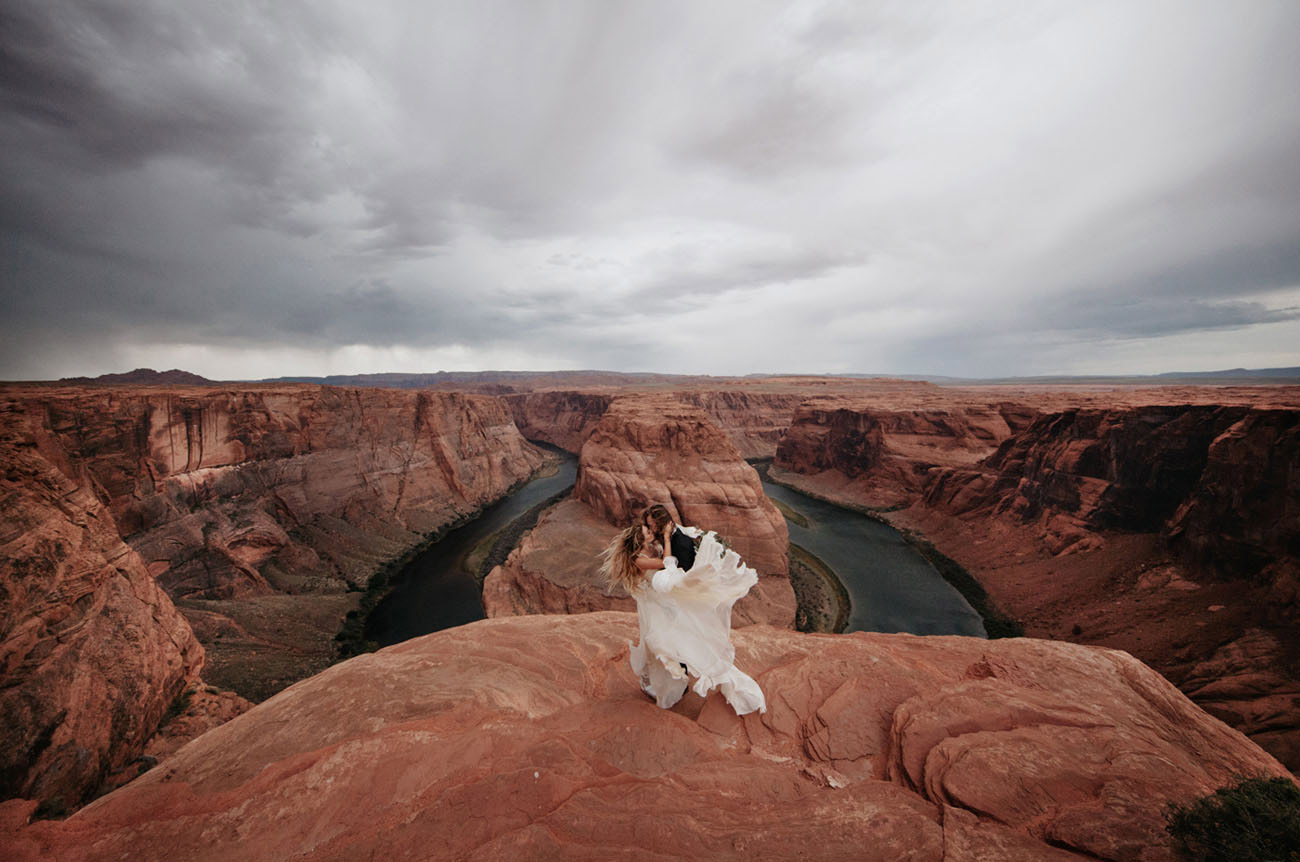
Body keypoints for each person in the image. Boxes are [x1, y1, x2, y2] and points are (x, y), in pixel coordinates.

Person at [600, 508, 766, 716]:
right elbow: (667, 564)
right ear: (639, 541)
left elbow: (673, 562)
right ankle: (666, 684)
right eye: (647, 531)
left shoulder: (655, 549)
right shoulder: (641, 559)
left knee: (666, 644)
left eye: (651, 527)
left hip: (661, 604)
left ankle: (670, 681)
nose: (651, 531)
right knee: (663, 645)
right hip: (657, 606)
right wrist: (668, 539)